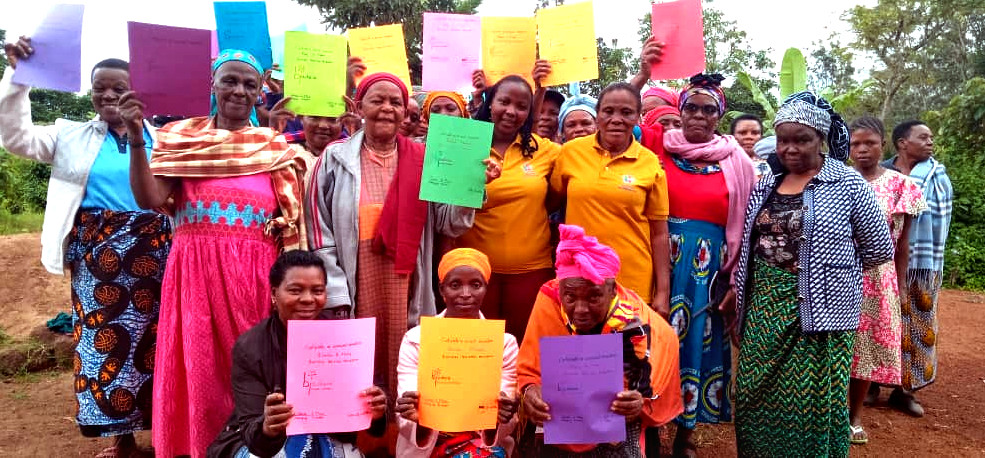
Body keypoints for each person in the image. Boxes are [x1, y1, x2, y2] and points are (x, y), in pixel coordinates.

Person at [124, 49, 309, 457]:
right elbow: (148, 196)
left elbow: (292, 225)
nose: (239, 90)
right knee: (203, 374)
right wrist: (137, 137)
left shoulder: (274, 147)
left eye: (249, 83)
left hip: (255, 278)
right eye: (230, 80)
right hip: (196, 279)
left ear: (262, 90)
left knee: (252, 370)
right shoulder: (183, 140)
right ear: (213, 84)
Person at [1, 36, 173, 458]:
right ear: (91, 92)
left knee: (160, 340)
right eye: (100, 87)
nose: (109, 94)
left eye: (119, 87)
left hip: (159, 254)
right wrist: (17, 76)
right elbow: (16, 138)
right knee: (105, 341)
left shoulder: (166, 137)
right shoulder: (69, 136)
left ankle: (168, 433)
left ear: (137, 91)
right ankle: (123, 439)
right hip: (100, 262)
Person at [305, 72, 499, 404]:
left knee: (406, 357)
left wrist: (472, 186)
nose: (386, 109)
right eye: (377, 100)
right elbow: (319, 231)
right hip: (355, 278)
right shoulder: (334, 158)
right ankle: (361, 438)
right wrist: (335, 293)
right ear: (358, 106)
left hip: (406, 277)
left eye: (395, 102)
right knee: (357, 361)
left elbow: (447, 223)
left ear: (405, 112)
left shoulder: (424, 158)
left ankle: (403, 433)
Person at [731, 92, 894, 457]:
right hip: (765, 308)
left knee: (814, 403)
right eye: (784, 139)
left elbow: (879, 248)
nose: (790, 149)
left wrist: (831, 274)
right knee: (755, 393)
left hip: (823, 313)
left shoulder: (848, 183)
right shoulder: (767, 182)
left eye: (801, 139)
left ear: (820, 139)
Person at [517, 224, 683, 457]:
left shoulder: (632, 323)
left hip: (614, 415)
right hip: (564, 416)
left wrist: (636, 402)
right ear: (560, 289)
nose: (581, 309)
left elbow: (642, 387)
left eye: (594, 296)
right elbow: (529, 369)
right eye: (570, 297)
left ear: (612, 290)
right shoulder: (549, 299)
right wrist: (530, 391)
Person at [658, 73, 756, 457]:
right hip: (662, 261)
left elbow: (748, 225)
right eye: (692, 107)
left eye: (708, 109)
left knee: (698, 343)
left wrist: (735, 279)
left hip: (709, 271)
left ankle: (687, 432)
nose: (699, 115)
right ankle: (650, 426)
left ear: (720, 115)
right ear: (680, 111)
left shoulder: (738, 161)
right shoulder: (660, 149)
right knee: (653, 340)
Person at [208, 250, 388, 458]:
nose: (308, 299)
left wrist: (376, 410)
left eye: (317, 290)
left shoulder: (345, 339)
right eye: (295, 290)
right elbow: (251, 427)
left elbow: (375, 397)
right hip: (267, 444)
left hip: (331, 435)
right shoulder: (250, 347)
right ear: (274, 294)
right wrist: (268, 425)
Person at [550, 82, 671, 315]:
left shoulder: (650, 163)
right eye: (608, 111)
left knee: (629, 350)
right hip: (578, 280)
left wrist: (663, 293)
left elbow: (659, 233)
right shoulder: (570, 152)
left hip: (632, 279)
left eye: (626, 112)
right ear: (598, 115)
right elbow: (552, 203)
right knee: (582, 350)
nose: (616, 119)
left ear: (638, 117)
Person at [458, 74, 560, 343]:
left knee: (526, 351)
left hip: (531, 273)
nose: (512, 111)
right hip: (473, 274)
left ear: (529, 112)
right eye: (504, 101)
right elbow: (446, 216)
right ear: (490, 103)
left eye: (521, 106)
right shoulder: (463, 144)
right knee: (476, 352)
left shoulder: (545, 151)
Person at [846, 117, 927, 445]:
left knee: (866, 348)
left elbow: (903, 244)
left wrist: (902, 286)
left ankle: (853, 417)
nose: (863, 149)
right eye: (855, 144)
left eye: (870, 143)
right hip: (838, 274)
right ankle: (830, 411)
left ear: (884, 145)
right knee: (838, 345)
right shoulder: (838, 180)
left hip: (879, 277)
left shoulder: (902, 185)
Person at [395, 248, 519, 457]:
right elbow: (405, 419)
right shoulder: (416, 339)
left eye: (475, 285)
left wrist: (501, 417)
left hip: (482, 445)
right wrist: (417, 418)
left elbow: (506, 423)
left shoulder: (504, 343)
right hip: (428, 446)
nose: (465, 294)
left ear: (485, 289)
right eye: (455, 285)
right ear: (442, 291)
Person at [875, 120, 953, 417]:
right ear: (902, 143)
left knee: (919, 324)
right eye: (923, 137)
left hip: (922, 265)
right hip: (881, 261)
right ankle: (869, 383)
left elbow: (940, 224)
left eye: (931, 137)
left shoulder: (937, 176)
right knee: (878, 322)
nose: (930, 141)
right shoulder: (879, 173)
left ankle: (904, 390)